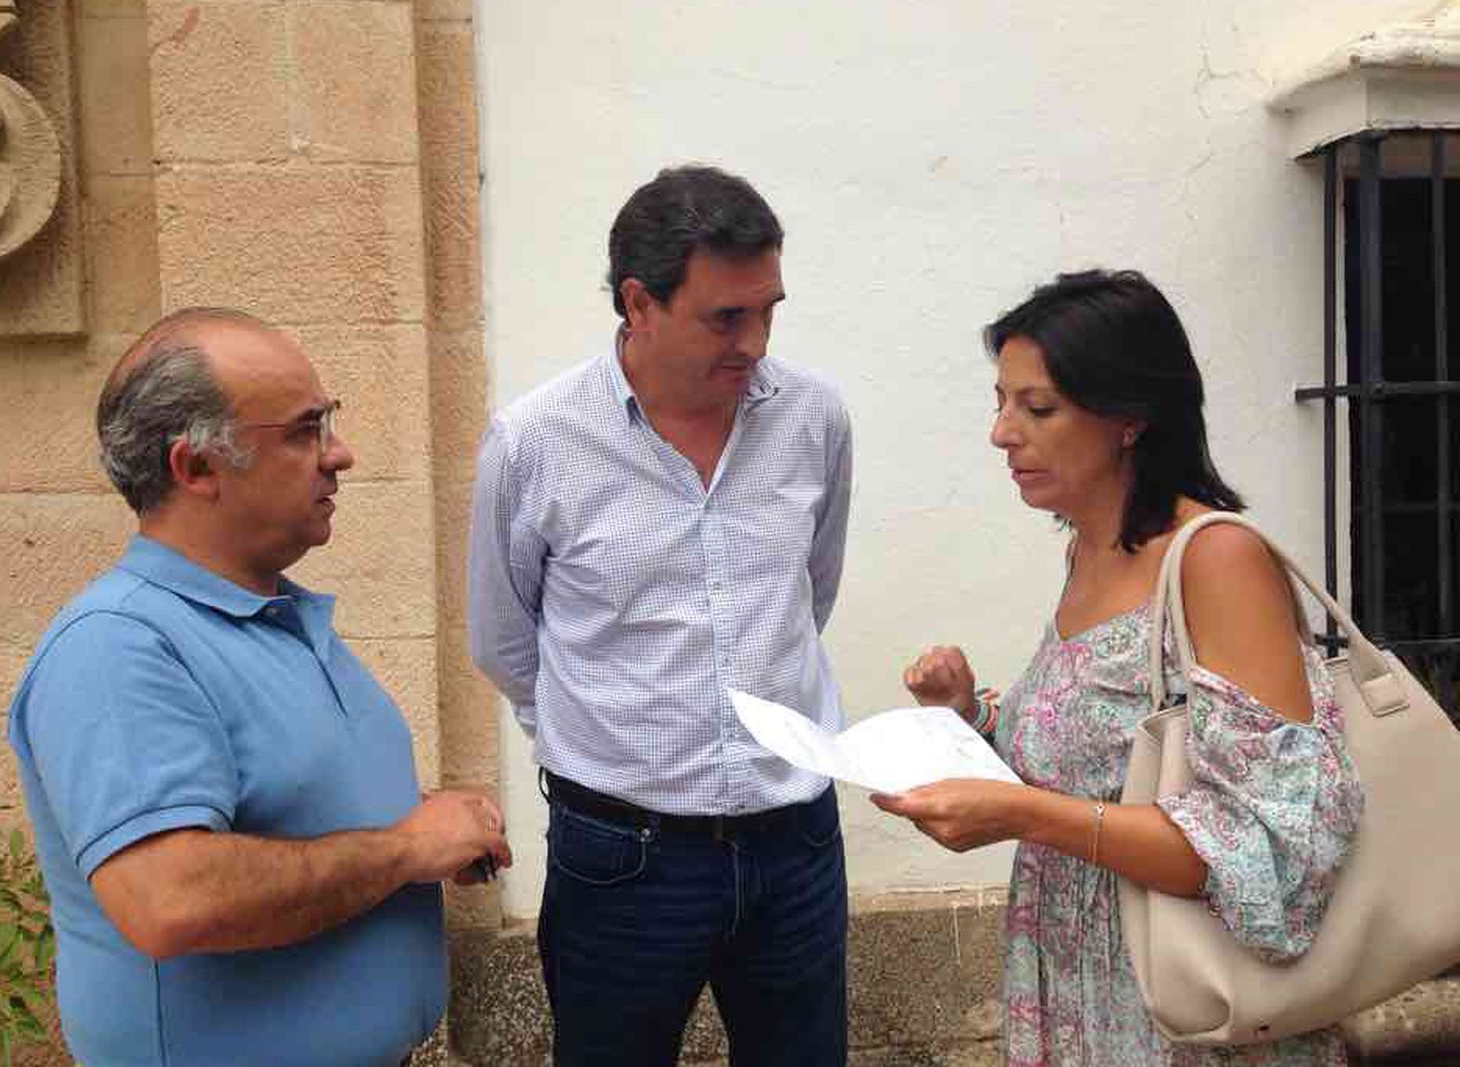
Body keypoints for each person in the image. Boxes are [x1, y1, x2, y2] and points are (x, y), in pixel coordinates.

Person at [876, 270, 1363, 1066]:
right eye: (1000, 402)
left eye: (1037, 408)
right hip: (1083, 993)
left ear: (1130, 418)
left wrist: (1022, 814)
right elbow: (1103, 768)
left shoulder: (1217, 560)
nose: (1002, 432)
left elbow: (1268, 853)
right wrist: (969, 718)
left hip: (1193, 1010)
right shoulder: (1088, 547)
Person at [7, 308, 512, 1067]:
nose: (340, 453)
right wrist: (407, 847)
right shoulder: (118, 646)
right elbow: (172, 897)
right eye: (305, 430)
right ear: (197, 468)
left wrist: (437, 829)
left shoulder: (272, 617)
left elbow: (293, 810)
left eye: (328, 423)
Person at [468, 164, 853, 1066]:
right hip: (622, 852)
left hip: (794, 835)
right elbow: (502, 637)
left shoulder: (815, 417)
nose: (754, 340)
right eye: (726, 316)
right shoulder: (535, 442)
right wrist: (603, 734)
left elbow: (810, 590)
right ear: (638, 303)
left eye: (769, 309)